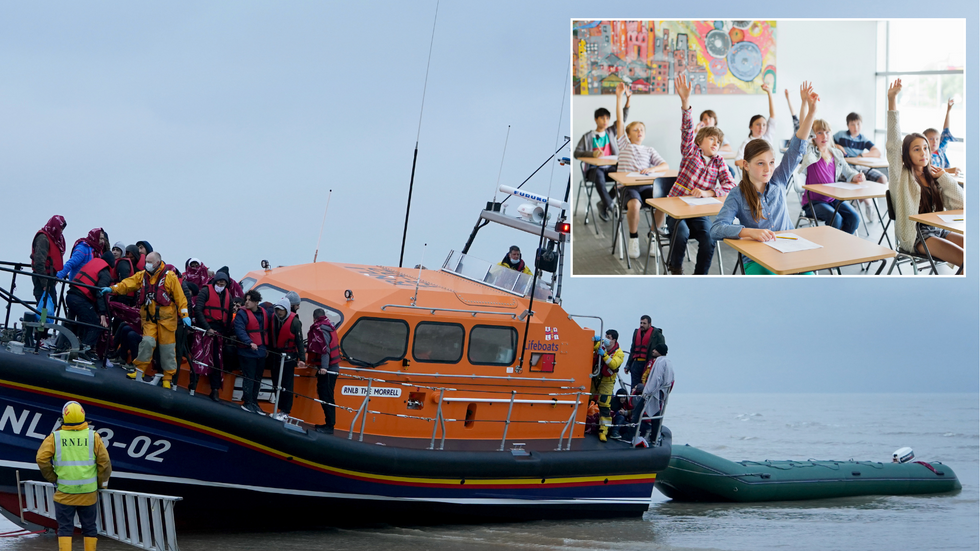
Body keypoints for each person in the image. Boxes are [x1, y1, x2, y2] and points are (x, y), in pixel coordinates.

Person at [710, 82, 820, 275]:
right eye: (760, 163)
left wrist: (811, 113)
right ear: (746, 165)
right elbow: (717, 229)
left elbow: (796, 148)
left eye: (770, 163)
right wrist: (748, 232)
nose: (767, 169)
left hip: (789, 251)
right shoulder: (738, 194)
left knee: (809, 281)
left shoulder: (778, 180)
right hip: (757, 258)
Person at [886, 79, 964, 270]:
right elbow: (894, 143)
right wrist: (892, 100)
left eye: (926, 149)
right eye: (916, 150)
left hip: (939, 230)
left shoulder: (934, 176)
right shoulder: (901, 176)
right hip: (916, 237)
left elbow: (960, 205)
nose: (924, 154)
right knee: (966, 260)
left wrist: (945, 178)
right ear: (906, 154)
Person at [666, 74, 736, 275]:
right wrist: (685, 102)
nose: (715, 144)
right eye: (712, 139)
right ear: (699, 142)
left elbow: (730, 186)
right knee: (682, 233)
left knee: (709, 236)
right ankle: (676, 269)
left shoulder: (719, 161)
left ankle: (699, 277)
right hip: (676, 207)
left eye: (718, 142)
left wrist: (709, 193)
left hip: (698, 210)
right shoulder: (691, 152)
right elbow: (687, 131)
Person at [102, 251, 191, 388]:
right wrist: (112, 289)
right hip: (149, 319)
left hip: (166, 320)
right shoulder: (143, 276)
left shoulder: (170, 277)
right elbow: (128, 284)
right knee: (147, 342)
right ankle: (140, 370)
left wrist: (185, 316)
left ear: (157, 263)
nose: (147, 265)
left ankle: (167, 378)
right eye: (146, 262)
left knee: (167, 349)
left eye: (149, 262)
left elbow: (180, 298)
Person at [36, 401, 111, 551]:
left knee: (65, 529)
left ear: (64, 416)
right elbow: (105, 462)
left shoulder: (55, 437)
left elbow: (41, 458)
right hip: (88, 493)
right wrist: (101, 483)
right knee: (90, 528)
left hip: (65, 494)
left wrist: (53, 478)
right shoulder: (93, 437)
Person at [613, 82, 670, 259]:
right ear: (627, 135)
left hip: (646, 186)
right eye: (635, 130)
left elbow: (665, 165)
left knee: (663, 202)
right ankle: (633, 238)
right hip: (628, 189)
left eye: (642, 130)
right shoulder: (624, 145)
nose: (639, 132)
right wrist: (619, 97)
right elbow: (621, 120)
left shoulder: (649, 150)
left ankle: (653, 236)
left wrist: (651, 169)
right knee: (635, 205)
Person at [798, 119, 864, 235]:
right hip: (813, 202)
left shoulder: (836, 154)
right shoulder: (810, 152)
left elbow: (849, 173)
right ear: (813, 136)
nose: (825, 136)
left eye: (827, 132)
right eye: (820, 133)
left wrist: (856, 177)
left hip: (832, 200)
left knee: (854, 218)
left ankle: (840, 244)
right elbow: (803, 137)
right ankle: (831, 247)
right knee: (836, 218)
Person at [573, 101, 626, 222]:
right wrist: (592, 154)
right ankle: (612, 207)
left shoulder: (611, 132)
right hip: (594, 170)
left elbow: (622, 120)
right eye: (602, 118)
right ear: (596, 119)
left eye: (607, 118)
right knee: (599, 176)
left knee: (623, 177)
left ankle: (604, 204)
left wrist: (627, 103)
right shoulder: (587, 136)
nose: (605, 121)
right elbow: (576, 153)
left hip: (610, 168)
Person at [833, 112, 887, 218]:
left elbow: (877, 152)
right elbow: (828, 143)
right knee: (860, 180)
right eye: (852, 124)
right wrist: (837, 146)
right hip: (847, 168)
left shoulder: (863, 139)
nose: (856, 127)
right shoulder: (840, 135)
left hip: (861, 166)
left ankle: (859, 201)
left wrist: (862, 154)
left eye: (858, 124)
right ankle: (868, 202)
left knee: (883, 179)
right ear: (848, 125)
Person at [65, 253, 113, 362]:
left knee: (76, 322)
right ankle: (83, 350)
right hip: (79, 300)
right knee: (95, 325)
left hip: (70, 296)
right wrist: (102, 313)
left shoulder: (92, 263)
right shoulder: (105, 273)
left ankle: (64, 345)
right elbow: (100, 293)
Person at [193, 271, 233, 401]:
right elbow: (198, 310)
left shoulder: (229, 296)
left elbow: (228, 317)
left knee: (217, 362)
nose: (221, 284)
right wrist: (207, 328)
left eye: (223, 283)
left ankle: (214, 390)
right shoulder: (205, 291)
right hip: (203, 331)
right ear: (215, 281)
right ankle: (193, 384)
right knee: (199, 357)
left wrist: (225, 334)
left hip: (219, 333)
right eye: (219, 282)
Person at [268, 297, 307, 420]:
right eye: (277, 309)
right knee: (275, 383)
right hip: (276, 355)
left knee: (286, 384)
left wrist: (302, 358)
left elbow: (299, 341)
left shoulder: (295, 322)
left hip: (289, 357)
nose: (279, 312)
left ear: (286, 310)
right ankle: (279, 408)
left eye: (281, 310)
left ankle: (285, 411)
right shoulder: (274, 319)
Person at [234, 289, 270, 415]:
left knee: (257, 378)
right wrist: (249, 342)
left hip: (260, 352)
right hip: (246, 351)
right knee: (249, 376)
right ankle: (247, 401)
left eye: (250, 300)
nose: (247, 302)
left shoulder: (264, 313)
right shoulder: (242, 314)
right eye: (246, 300)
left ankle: (254, 402)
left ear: (256, 302)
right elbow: (239, 330)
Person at [308, 308, 340, 433]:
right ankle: (328, 424)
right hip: (331, 368)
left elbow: (324, 350)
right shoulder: (329, 326)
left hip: (328, 370)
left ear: (314, 318)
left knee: (327, 396)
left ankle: (330, 425)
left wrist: (324, 368)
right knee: (325, 396)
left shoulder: (321, 329)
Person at [636, 344, 674, 445]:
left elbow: (656, 378)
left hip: (653, 394)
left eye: (655, 350)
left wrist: (647, 392)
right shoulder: (668, 362)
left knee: (637, 413)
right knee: (656, 415)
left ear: (659, 351)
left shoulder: (660, 362)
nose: (653, 351)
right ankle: (654, 437)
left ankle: (633, 434)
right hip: (661, 394)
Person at [591, 329, 624, 442]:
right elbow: (591, 350)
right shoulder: (601, 347)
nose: (606, 339)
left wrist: (604, 355)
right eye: (605, 336)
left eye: (608, 337)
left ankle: (603, 431)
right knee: (587, 398)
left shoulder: (619, 353)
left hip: (607, 382)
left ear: (614, 340)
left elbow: (614, 364)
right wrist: (594, 342)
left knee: (604, 405)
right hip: (595, 377)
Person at [734, 83, 777, 169]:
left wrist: (769, 93)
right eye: (758, 124)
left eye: (764, 125)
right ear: (751, 127)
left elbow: (773, 115)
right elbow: (737, 161)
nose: (761, 127)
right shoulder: (747, 143)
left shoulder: (767, 137)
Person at [31, 215, 67, 312]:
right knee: (45, 307)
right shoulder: (43, 238)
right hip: (42, 278)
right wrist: (44, 284)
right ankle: (39, 326)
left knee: (51, 306)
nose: (61, 232)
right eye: (60, 228)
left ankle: (40, 325)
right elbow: (39, 262)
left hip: (50, 278)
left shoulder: (54, 239)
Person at [625, 315, 665, 392]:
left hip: (648, 364)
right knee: (634, 386)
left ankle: (644, 402)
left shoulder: (657, 334)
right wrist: (628, 365)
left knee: (645, 385)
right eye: (641, 323)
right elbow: (632, 350)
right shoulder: (636, 333)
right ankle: (633, 402)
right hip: (636, 363)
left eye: (644, 323)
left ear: (649, 324)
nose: (642, 325)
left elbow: (661, 350)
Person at [925, 98, 956, 170]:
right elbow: (930, 171)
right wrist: (949, 171)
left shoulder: (940, 149)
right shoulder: (925, 155)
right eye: (931, 139)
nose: (935, 141)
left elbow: (946, 131)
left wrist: (948, 111)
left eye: (937, 139)